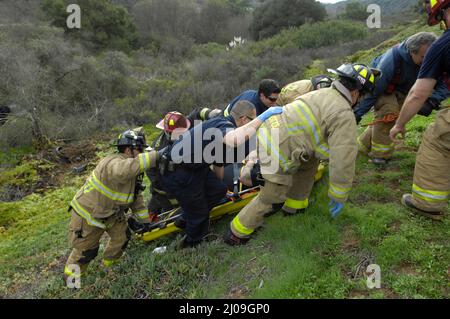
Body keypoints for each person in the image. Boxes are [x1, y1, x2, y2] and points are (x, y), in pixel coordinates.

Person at [224, 63, 380, 245]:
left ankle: (295, 206)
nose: (360, 101)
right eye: (362, 97)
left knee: (309, 162)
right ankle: (236, 233)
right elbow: (343, 159)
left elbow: (316, 136)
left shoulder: (320, 92)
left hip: (271, 132)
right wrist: (339, 195)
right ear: (356, 93)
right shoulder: (343, 114)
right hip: (278, 149)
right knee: (272, 197)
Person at [159, 101, 283, 248]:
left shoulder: (223, 131)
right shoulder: (224, 126)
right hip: (178, 172)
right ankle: (191, 244)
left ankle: (185, 218)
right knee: (199, 213)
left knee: (219, 190)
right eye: (251, 120)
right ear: (244, 119)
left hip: (196, 167)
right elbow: (235, 139)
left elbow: (218, 163)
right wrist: (265, 116)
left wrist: (219, 187)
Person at [64, 128, 158, 279]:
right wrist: (156, 156)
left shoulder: (132, 170)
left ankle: (110, 270)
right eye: (140, 150)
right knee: (85, 252)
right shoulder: (113, 163)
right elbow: (123, 171)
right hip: (88, 215)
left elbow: (136, 198)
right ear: (129, 150)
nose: (142, 154)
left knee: (122, 238)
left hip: (111, 214)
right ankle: (72, 283)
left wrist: (145, 222)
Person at [390, 0, 450, 220]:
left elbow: (417, 94)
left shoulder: (442, 46)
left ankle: (426, 203)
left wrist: (399, 124)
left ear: (443, 12)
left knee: (437, 141)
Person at [355, 32, 449, 165]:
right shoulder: (391, 60)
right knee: (389, 113)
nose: (427, 60)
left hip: (407, 90)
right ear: (412, 52)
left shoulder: (435, 58)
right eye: (423, 57)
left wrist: (432, 100)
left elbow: (445, 83)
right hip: (384, 88)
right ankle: (380, 156)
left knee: (388, 120)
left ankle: (361, 146)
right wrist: (357, 114)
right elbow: (374, 91)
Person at [145, 108, 222, 220]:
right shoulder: (159, 150)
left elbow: (197, 112)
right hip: (166, 191)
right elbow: (156, 179)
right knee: (172, 212)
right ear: (167, 132)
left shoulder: (184, 124)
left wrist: (211, 113)